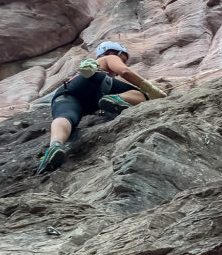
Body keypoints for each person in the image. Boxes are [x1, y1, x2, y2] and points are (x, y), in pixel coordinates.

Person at [37, 41, 166, 173]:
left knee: (65, 117)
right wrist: (150, 89)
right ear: (112, 53)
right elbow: (124, 71)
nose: (124, 63)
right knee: (140, 95)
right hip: (95, 82)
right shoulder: (109, 57)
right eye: (123, 59)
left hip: (66, 92)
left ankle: (56, 145)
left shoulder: (82, 70)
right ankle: (116, 99)